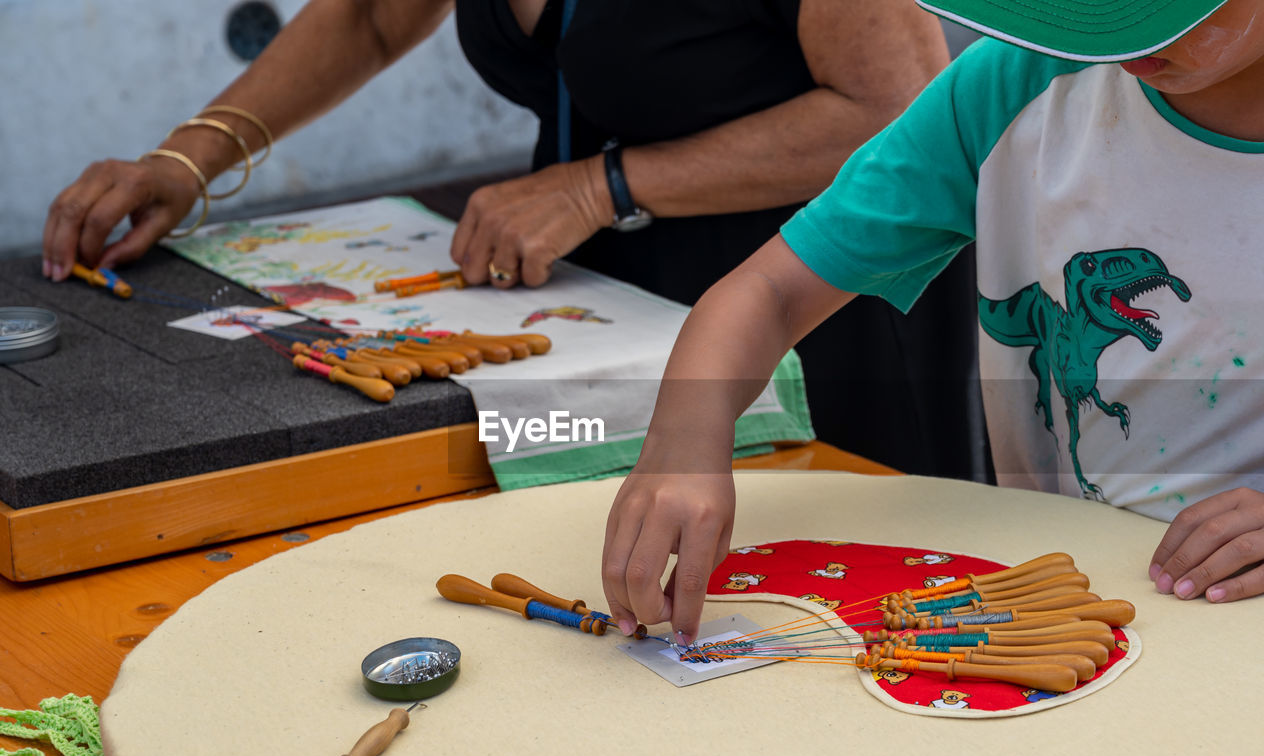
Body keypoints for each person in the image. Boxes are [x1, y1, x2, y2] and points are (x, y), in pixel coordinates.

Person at [38, 0, 986, 480]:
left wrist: (600, 185)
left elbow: (898, 113)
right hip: (598, 285)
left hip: (818, 296)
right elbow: (371, 17)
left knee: (838, 607)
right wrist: (189, 159)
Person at [601, 0, 1264, 643]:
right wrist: (683, 446)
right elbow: (771, 288)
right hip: (1045, 594)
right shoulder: (1017, 81)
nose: (1107, 28)